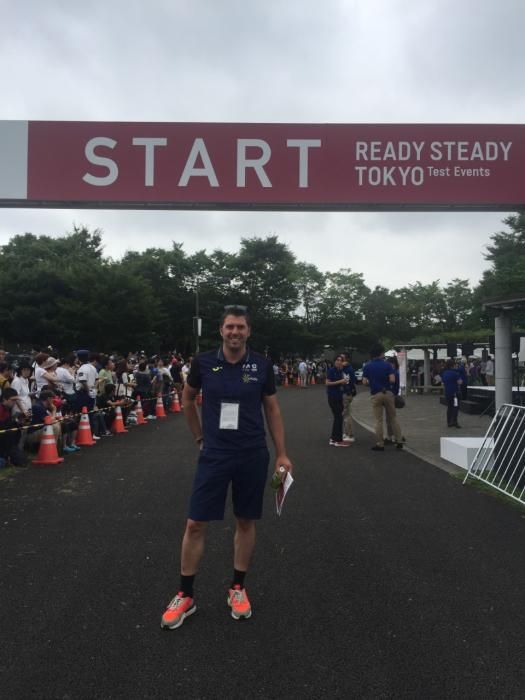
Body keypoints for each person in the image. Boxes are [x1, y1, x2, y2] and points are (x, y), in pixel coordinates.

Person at [161, 305, 293, 630]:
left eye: (241, 327)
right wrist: (198, 438)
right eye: (230, 327)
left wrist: (282, 454)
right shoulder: (203, 362)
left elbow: (272, 409)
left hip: (252, 453)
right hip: (215, 454)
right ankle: (186, 595)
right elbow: (188, 398)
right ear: (221, 330)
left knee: (245, 521)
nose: (235, 332)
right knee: (195, 523)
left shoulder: (261, 365)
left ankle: (237, 587)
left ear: (248, 331)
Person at [362, 343, 403, 451]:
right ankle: (399, 441)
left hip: (376, 394)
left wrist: (372, 383)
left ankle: (380, 444)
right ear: (381, 353)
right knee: (393, 418)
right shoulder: (387, 365)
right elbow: (392, 380)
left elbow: (364, 382)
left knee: (378, 420)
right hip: (388, 393)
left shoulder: (368, 366)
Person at [325, 355, 350, 447]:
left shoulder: (340, 371)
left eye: (341, 360)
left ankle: (334, 438)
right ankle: (337, 440)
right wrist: (340, 381)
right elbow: (327, 383)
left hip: (339, 396)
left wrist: (344, 383)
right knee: (338, 417)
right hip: (333, 396)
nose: (339, 362)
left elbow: (343, 382)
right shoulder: (331, 370)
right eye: (338, 360)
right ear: (334, 361)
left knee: (338, 417)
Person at [341, 354, 357, 444]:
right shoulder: (350, 368)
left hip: (346, 393)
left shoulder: (345, 369)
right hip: (349, 392)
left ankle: (349, 434)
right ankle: (347, 432)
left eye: (341, 359)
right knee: (347, 413)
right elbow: (353, 380)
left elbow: (348, 381)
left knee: (346, 414)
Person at [442, 359, 462, 428]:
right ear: (452, 365)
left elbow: (443, 382)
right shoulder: (455, 373)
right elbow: (460, 382)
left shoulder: (444, 373)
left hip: (447, 393)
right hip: (455, 394)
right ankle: (455, 422)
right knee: (455, 407)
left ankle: (449, 422)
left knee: (449, 407)